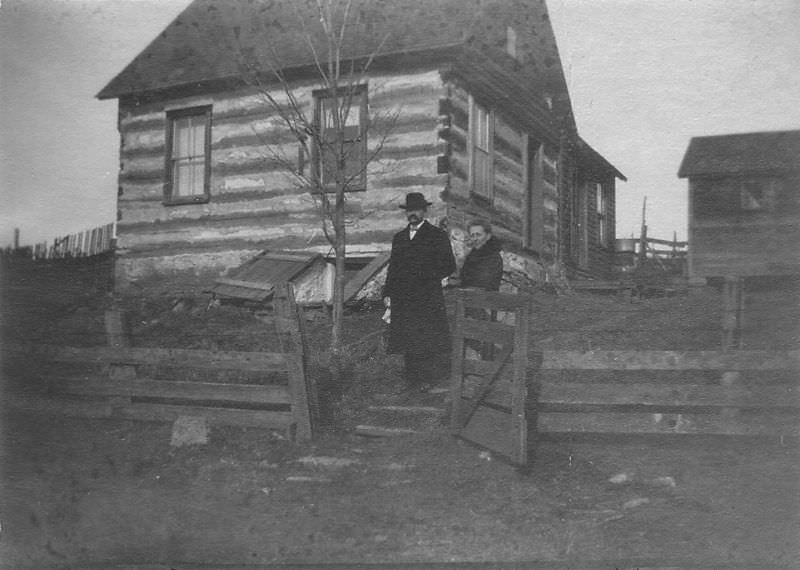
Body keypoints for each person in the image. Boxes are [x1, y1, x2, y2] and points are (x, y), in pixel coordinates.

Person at [383, 192, 457, 391]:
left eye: (416, 210)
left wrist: (427, 277)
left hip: (427, 296)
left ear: (424, 211)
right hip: (403, 297)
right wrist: (387, 293)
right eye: (409, 210)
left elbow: (449, 265)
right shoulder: (399, 238)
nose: (412, 214)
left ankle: (427, 379)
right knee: (407, 338)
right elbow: (394, 267)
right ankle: (411, 380)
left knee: (426, 338)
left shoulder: (436, 236)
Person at [458, 219, 503, 291]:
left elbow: (487, 285)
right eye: (472, 235)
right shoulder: (471, 257)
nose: (475, 239)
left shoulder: (494, 258)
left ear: (488, 236)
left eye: (478, 235)